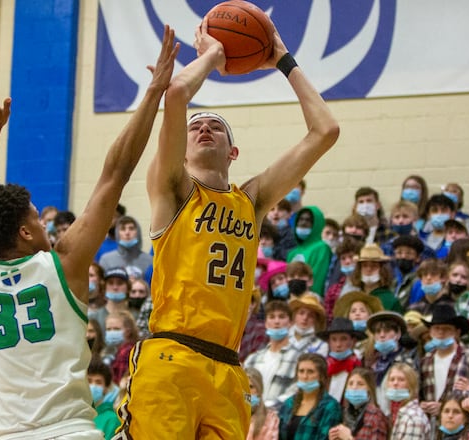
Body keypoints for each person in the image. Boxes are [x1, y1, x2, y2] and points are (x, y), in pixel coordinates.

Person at [116, 16, 339, 437]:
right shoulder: (173, 190)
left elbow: (325, 130)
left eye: (214, 126)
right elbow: (178, 92)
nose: (202, 128)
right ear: (181, 153)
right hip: (171, 358)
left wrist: (284, 61)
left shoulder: (250, 201)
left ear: (232, 151)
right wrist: (214, 55)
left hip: (228, 368)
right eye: (195, 126)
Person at [0, 27, 179, 439]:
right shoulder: (64, 264)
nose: (45, 224)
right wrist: (154, 92)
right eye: (38, 218)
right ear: (24, 231)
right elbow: (116, 173)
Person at [418, 304, 469, 431]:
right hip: (431, 425)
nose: (441, 333)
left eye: (446, 329)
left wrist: (443, 407)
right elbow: (420, 393)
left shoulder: (468, 358)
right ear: (430, 332)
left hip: (459, 425)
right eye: (436, 328)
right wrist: (422, 404)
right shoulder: (425, 361)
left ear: (457, 332)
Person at [244, 301, 304, 409]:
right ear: (266, 323)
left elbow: (296, 390)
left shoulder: (299, 358)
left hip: (279, 417)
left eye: (281, 317)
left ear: (290, 323)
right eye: (272, 317)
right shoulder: (252, 359)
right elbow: (243, 390)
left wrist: (268, 409)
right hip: (251, 417)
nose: (277, 321)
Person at [278, 353, 342, 439]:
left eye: (310, 372)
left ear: (321, 376)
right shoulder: (288, 403)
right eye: (301, 371)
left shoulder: (330, 406)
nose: (305, 376)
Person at [329, 367, 388, 440]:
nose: (354, 387)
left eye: (360, 384)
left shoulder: (375, 415)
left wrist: (348, 438)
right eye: (350, 384)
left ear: (369, 389)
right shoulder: (344, 414)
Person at [317, 318, 366, 402]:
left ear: (353, 341)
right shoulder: (322, 368)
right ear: (329, 342)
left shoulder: (360, 369)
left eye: (343, 339)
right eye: (334, 339)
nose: (338, 344)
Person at [286, 205, 331, 295]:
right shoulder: (292, 253)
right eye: (300, 219)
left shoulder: (322, 248)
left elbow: (317, 279)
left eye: (308, 220)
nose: (303, 223)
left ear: (317, 224)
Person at [386, 363, 431, 439]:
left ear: (411, 384)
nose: (395, 383)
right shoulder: (396, 413)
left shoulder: (414, 418)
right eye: (392, 379)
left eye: (401, 379)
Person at [87, 360, 119, 440]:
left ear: (106, 388)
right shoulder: (76, 414)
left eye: (98, 382)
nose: (93, 386)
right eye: (89, 381)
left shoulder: (112, 420)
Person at [245, 367, 280, 440]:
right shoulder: (230, 415)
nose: (246, 391)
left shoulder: (271, 418)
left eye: (251, 387)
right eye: (243, 386)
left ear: (259, 390)